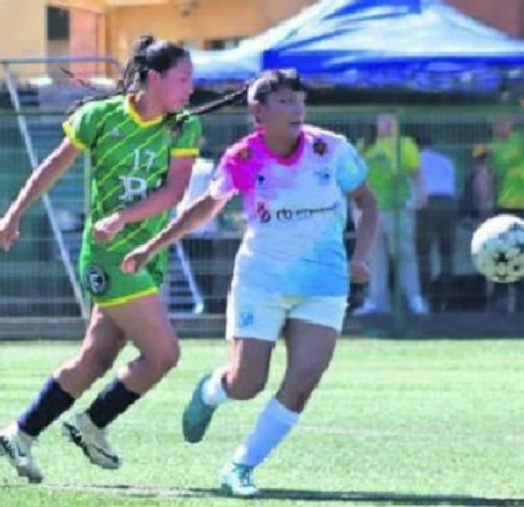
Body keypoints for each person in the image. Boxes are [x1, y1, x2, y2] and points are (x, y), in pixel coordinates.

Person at [122, 69, 378, 497]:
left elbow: (368, 203)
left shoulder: (331, 149)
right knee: (246, 385)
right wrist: (152, 246)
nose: (296, 109)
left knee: (302, 383)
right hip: (261, 280)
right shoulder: (243, 158)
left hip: (324, 283)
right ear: (258, 111)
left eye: (300, 101)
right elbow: (205, 207)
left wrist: (361, 257)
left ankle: (240, 467)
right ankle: (210, 391)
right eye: (284, 101)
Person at [0, 35, 208, 483]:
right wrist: (13, 215)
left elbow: (174, 193)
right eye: (183, 79)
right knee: (163, 354)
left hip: (148, 252)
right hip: (110, 256)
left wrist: (126, 218)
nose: (190, 89)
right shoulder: (100, 117)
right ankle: (92, 423)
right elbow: (51, 166)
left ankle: (21, 432)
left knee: (97, 357)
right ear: (153, 77)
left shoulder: (183, 126)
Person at [353, 114, 427, 315]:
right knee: (374, 257)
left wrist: (420, 195)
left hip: (398, 208)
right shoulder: (364, 145)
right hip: (369, 210)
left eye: (391, 120)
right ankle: (376, 301)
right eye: (383, 120)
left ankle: (414, 298)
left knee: (404, 253)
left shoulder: (406, 144)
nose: (387, 124)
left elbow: (416, 173)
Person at [488, 105, 524, 313]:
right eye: (498, 123)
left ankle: (522, 299)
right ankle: (500, 299)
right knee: (500, 252)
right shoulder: (491, 148)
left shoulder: (518, 139)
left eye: (505, 122)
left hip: (521, 205)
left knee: (521, 250)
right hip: (501, 206)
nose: (502, 126)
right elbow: (489, 176)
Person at [414, 135, 457, 311]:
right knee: (446, 253)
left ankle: (426, 296)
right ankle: (446, 297)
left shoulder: (415, 161)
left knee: (423, 253)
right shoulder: (446, 161)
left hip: (427, 203)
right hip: (448, 203)